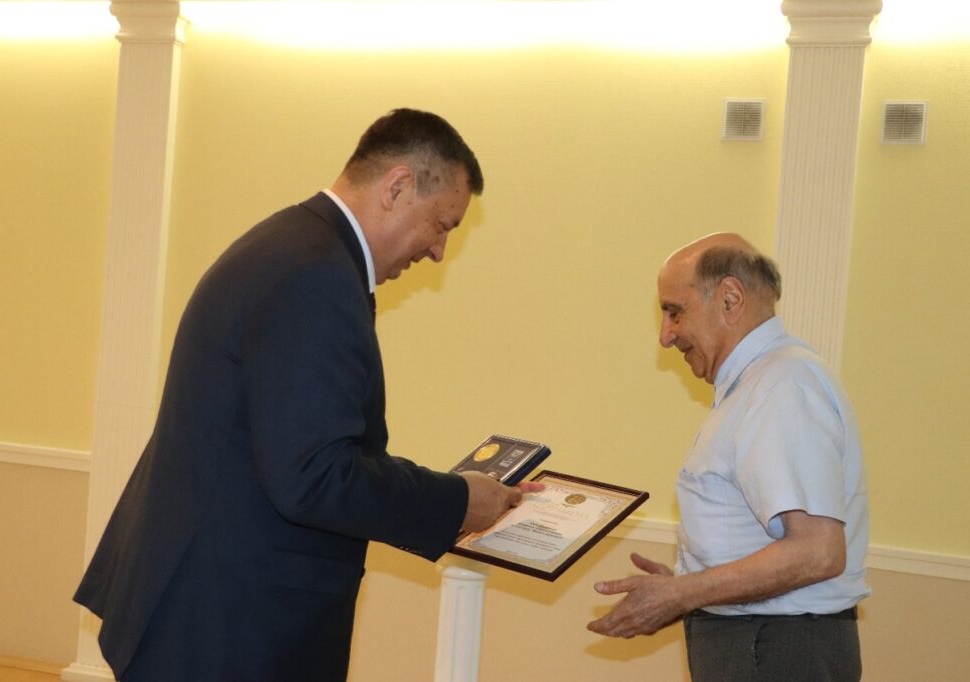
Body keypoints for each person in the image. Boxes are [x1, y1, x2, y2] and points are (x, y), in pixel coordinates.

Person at [74, 108, 538, 682]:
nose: (439, 250)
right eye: (442, 224)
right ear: (397, 186)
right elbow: (314, 477)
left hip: (208, 603)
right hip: (230, 624)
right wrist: (456, 501)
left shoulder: (293, 244)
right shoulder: (316, 275)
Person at [588, 233, 869, 681]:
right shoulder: (760, 384)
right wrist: (686, 585)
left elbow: (818, 552)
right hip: (762, 643)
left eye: (675, 312)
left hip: (776, 648)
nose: (666, 336)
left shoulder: (781, 386)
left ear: (730, 299)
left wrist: (683, 594)